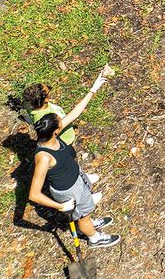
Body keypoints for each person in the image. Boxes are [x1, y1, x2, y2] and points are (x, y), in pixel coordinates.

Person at [27, 65, 120, 249]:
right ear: (56, 131)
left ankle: (88, 222)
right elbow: (34, 194)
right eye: (60, 123)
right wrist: (60, 207)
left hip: (75, 179)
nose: (64, 121)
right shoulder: (44, 157)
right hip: (69, 190)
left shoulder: (53, 140)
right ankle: (94, 237)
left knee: (85, 211)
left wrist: (94, 87)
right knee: (82, 216)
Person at [23, 79, 103, 187]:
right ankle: (82, 184)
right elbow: (74, 114)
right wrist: (93, 90)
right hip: (62, 144)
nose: (50, 88)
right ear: (44, 99)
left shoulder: (32, 105)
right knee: (71, 165)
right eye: (48, 90)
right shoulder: (46, 118)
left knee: (72, 163)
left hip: (62, 140)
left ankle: (81, 176)